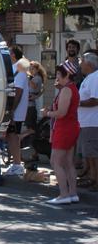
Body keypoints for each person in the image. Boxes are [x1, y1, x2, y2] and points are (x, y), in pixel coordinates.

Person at [42, 61, 80, 204]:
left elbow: (61, 113)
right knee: (68, 162)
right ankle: (72, 194)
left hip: (65, 128)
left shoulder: (66, 90)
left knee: (55, 161)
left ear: (67, 74)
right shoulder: (71, 88)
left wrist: (47, 113)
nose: (57, 75)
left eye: (59, 73)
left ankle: (64, 194)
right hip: (71, 127)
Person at [5, 51, 30, 176]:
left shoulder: (20, 70)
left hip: (16, 112)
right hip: (13, 110)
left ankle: (17, 164)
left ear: (13, 55)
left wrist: (12, 110)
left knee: (14, 136)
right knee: (10, 136)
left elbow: (18, 92)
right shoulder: (14, 69)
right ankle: (15, 163)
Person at [77, 51, 98, 193]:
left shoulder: (95, 78)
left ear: (89, 64)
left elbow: (95, 100)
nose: (80, 64)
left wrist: (77, 103)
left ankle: (96, 180)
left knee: (93, 154)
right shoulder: (89, 77)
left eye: (82, 62)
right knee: (89, 154)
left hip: (92, 122)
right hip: (86, 122)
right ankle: (92, 178)